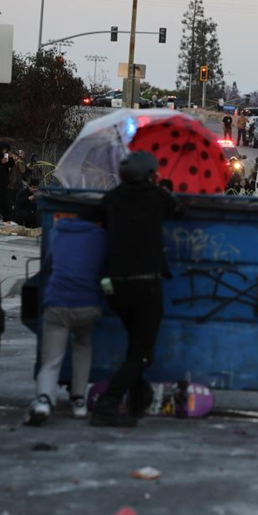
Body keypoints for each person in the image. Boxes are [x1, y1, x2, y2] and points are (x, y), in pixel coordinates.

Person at [88, 151, 180, 427]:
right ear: (149, 175)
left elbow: (94, 214)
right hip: (146, 286)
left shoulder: (113, 197)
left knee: (135, 346)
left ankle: (139, 399)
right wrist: (165, 190)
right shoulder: (156, 197)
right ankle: (107, 404)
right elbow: (178, 209)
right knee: (142, 353)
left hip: (115, 287)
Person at [24, 215, 107, 426]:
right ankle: (79, 400)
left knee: (52, 358)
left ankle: (44, 400)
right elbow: (104, 270)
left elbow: (48, 265)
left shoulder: (57, 232)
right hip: (87, 304)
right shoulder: (100, 236)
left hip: (57, 303)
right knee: (82, 344)